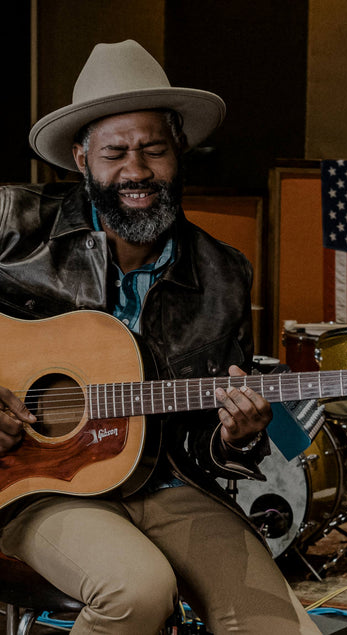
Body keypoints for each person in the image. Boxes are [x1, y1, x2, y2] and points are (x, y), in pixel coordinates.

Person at [0, 40, 321, 634]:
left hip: (170, 482)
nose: (136, 171)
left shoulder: (223, 274)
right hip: (36, 485)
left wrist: (236, 439)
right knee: (137, 589)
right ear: (81, 156)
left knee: (275, 626)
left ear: (179, 150)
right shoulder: (12, 226)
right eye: (115, 152)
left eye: (153, 149)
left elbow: (209, 440)